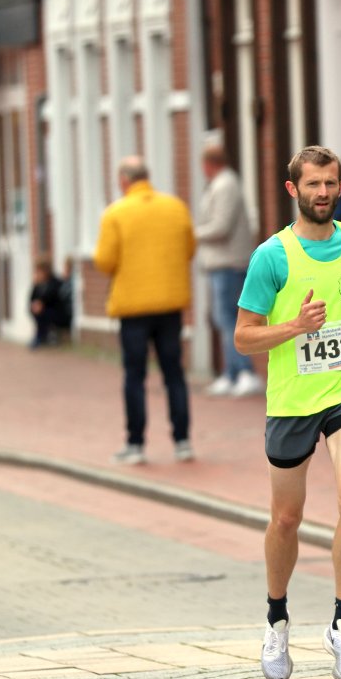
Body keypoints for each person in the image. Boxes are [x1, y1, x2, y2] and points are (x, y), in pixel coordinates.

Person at [234, 145, 341, 679]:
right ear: (293, 189)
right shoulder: (272, 256)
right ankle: (277, 619)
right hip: (292, 401)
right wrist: (295, 326)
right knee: (286, 519)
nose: (323, 192)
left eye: (331, 183)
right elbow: (244, 338)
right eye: (313, 184)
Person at [94, 157, 196, 466]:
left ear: (124, 180)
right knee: (174, 373)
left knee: (134, 375)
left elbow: (104, 261)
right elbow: (189, 249)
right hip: (169, 304)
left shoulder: (116, 213)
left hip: (133, 307)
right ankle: (183, 441)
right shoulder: (175, 207)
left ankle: (135, 443)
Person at [196, 135, 263, 398]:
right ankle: (232, 372)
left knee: (229, 318)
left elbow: (221, 226)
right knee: (223, 318)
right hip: (221, 262)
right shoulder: (222, 184)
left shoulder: (225, 185)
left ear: (209, 164)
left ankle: (244, 372)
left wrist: (192, 233)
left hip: (228, 262)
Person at [28, 255, 72, 348]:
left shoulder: (55, 283)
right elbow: (32, 300)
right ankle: (41, 336)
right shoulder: (37, 285)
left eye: (39, 271)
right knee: (37, 310)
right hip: (43, 313)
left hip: (59, 315)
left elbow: (51, 298)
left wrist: (40, 304)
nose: (37, 273)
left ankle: (41, 336)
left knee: (42, 311)